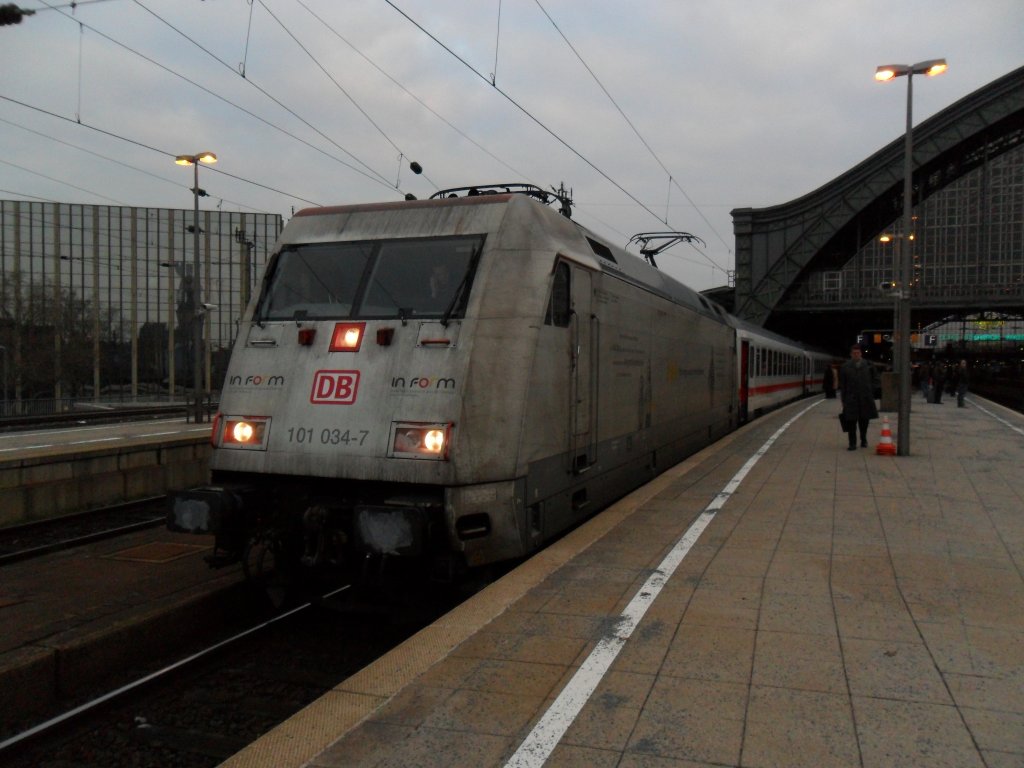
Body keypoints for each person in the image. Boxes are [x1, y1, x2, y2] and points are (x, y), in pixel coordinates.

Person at [839, 343, 880, 450]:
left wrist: (871, 391)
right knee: (851, 422)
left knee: (864, 421)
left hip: (865, 398)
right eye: (854, 353)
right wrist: (843, 399)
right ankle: (852, 443)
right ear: (851, 354)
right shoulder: (845, 367)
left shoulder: (869, 366)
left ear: (861, 354)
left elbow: (876, 380)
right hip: (851, 398)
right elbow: (843, 384)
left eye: (858, 353)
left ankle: (863, 439)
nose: (856, 355)